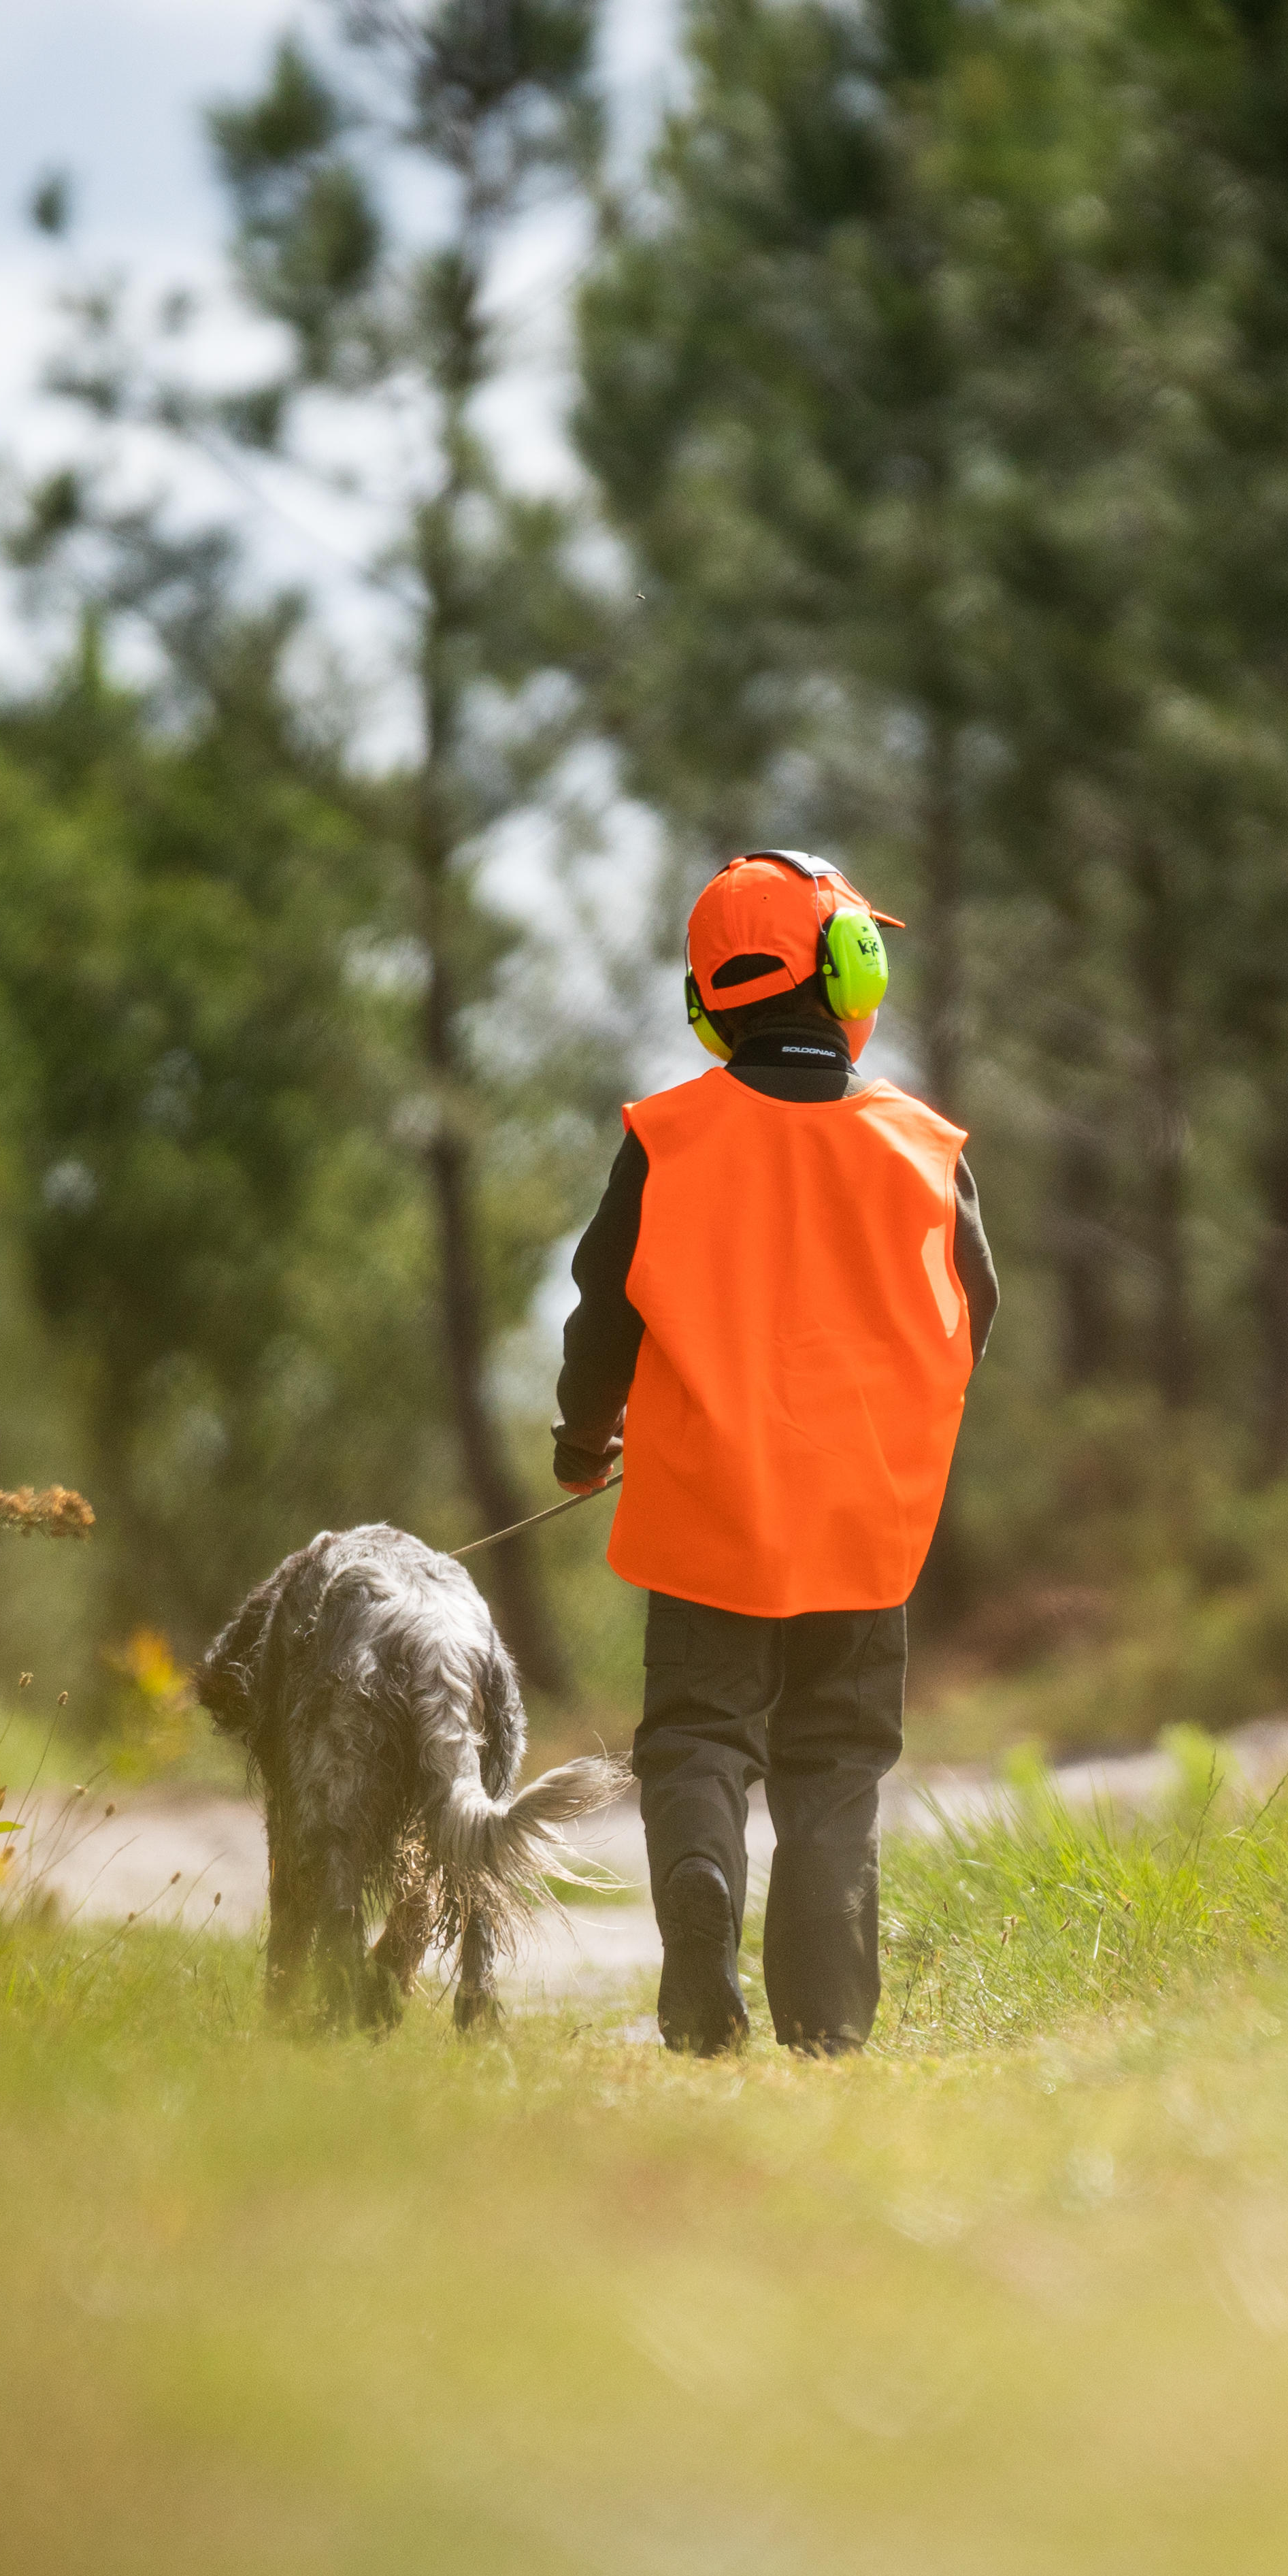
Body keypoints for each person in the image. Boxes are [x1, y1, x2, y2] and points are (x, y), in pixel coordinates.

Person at [553, 851, 996, 2054]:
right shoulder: (921, 1145)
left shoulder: (667, 1136)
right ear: (853, 971)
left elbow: (604, 1308)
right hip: (864, 1522)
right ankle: (828, 2026)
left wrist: (582, 1443)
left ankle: (701, 1915)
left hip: (708, 1516)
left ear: (710, 1007)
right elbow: (976, 1309)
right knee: (835, 1759)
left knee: (698, 1737)